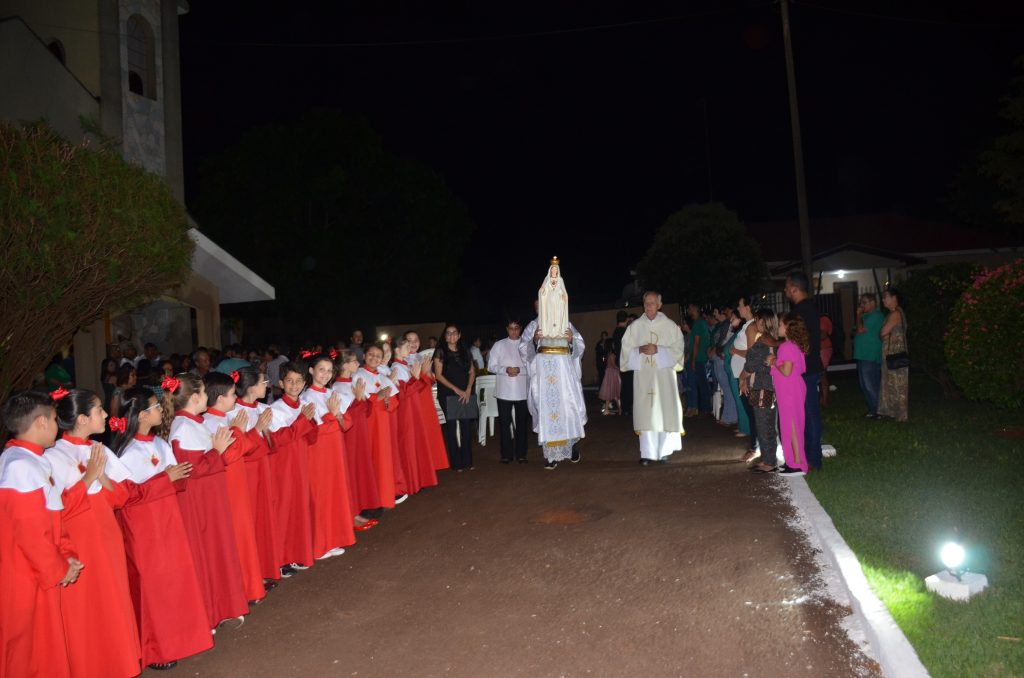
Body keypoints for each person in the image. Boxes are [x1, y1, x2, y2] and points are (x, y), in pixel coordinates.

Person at [111, 386, 211, 671]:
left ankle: (180, 639)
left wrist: (173, 478)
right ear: (142, 415)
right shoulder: (127, 452)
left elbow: (176, 478)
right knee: (152, 588)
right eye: (155, 407)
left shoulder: (160, 443)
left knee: (174, 582)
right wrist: (164, 478)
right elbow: (128, 497)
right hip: (143, 529)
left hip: (168, 519)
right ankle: (156, 649)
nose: (160, 410)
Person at [48, 389, 141, 678]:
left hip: (107, 537)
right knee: (87, 609)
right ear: (82, 418)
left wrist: (101, 477)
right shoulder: (53, 456)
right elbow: (57, 510)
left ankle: (121, 664)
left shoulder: (100, 450)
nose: (105, 415)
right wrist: (87, 478)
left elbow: (122, 497)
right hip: (79, 544)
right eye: (99, 410)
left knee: (114, 601)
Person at [0, 391, 82, 678]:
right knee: (29, 650)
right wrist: (59, 568)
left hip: (38, 571)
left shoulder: (30, 460)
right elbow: (32, 534)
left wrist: (68, 556)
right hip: (26, 575)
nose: (57, 426)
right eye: (53, 419)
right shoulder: (19, 466)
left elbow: (53, 519)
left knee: (43, 646)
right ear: (40, 423)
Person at [163, 373, 250, 630]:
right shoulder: (184, 427)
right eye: (203, 392)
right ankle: (208, 613)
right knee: (206, 554)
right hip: (199, 501)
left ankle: (221, 607)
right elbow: (193, 469)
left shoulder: (193, 423)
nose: (207, 397)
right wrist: (218, 451)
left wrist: (217, 451)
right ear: (194, 397)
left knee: (216, 552)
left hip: (209, 497)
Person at [201, 373, 266, 603]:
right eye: (231, 394)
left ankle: (250, 586)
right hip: (228, 484)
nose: (236, 397)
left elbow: (242, 447)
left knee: (243, 533)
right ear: (219, 398)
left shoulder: (222, 418)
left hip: (236, 481)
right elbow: (230, 454)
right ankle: (243, 590)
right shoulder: (212, 422)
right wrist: (243, 431)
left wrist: (248, 432)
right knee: (237, 536)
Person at [521, 259, 587, 470]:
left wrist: (570, 342)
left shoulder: (566, 323)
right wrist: (533, 341)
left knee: (568, 406)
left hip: (563, 371)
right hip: (543, 372)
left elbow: (579, 344)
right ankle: (551, 456)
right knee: (547, 409)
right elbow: (523, 349)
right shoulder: (533, 327)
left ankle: (572, 446)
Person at [228, 367, 285, 584]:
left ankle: (267, 566)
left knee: (265, 519)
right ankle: (251, 575)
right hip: (247, 475)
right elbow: (239, 450)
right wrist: (258, 429)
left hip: (264, 470)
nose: (267, 385)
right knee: (251, 522)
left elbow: (272, 444)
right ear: (251, 386)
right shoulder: (232, 414)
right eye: (264, 381)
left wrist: (267, 432)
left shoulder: (263, 407)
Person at [300, 355, 357, 560]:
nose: (325, 374)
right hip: (318, 453)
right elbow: (313, 430)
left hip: (335, 451)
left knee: (335, 492)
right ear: (311, 371)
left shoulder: (332, 393)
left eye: (329, 370)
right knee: (321, 495)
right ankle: (320, 544)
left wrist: (336, 416)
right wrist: (334, 415)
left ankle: (331, 539)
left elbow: (347, 423)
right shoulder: (306, 398)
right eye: (321, 369)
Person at [619, 291, 686, 465]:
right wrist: (639, 350)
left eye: (652, 303)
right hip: (644, 377)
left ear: (659, 305)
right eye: (646, 303)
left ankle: (663, 452)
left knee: (663, 411)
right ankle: (647, 453)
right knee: (646, 413)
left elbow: (679, 349)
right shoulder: (635, 327)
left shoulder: (670, 326)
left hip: (664, 377)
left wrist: (660, 350)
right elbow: (625, 350)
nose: (649, 307)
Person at [267, 362, 318, 576]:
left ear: (304, 384)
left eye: (298, 381)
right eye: (289, 381)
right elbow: (277, 440)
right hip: (284, 467)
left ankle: (298, 552)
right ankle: (281, 559)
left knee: (300, 508)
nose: (294, 385)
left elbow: (312, 435)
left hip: (301, 463)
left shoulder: (303, 406)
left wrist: (307, 421)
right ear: (281, 383)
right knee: (285, 511)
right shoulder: (275, 409)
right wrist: (302, 421)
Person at [783, 272, 823, 471]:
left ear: (794, 289)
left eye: (786, 287)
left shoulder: (802, 311)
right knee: (807, 414)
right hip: (809, 367)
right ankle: (809, 456)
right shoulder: (808, 308)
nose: (784, 291)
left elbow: (797, 341)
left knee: (809, 414)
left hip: (806, 369)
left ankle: (814, 459)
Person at [487, 319, 531, 464]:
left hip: (522, 391)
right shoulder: (499, 345)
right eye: (511, 328)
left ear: (520, 329)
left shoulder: (526, 345)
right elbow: (491, 366)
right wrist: (505, 369)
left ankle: (521, 454)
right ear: (507, 329)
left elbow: (533, 367)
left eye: (516, 328)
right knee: (504, 424)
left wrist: (519, 370)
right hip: (503, 391)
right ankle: (506, 454)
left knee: (522, 423)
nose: (514, 331)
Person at [771, 313, 810, 476]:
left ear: (787, 327)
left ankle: (796, 463)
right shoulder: (793, 345)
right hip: (791, 389)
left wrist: (774, 362)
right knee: (792, 424)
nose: (778, 327)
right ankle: (794, 460)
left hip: (790, 390)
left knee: (791, 424)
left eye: (780, 324)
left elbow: (786, 371)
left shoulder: (786, 347)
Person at [434, 324, 476, 470]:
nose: (451, 335)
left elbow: (472, 371)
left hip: (466, 392)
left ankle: (468, 461)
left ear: (459, 335)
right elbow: (438, 375)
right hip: (448, 393)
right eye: (448, 333)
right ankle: (456, 463)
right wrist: (457, 390)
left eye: (454, 333)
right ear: (445, 337)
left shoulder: (465, 351)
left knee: (465, 427)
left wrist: (469, 389)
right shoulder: (440, 352)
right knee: (452, 428)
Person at [744, 310, 781, 474]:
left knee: (762, 424)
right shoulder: (777, 343)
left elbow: (750, 366)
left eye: (757, 321)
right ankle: (770, 458)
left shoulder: (760, 344)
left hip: (761, 389)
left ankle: (768, 461)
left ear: (761, 322)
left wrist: (742, 378)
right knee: (770, 425)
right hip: (775, 388)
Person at [878, 288, 909, 422]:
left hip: (895, 353)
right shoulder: (893, 313)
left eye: (886, 297)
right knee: (892, 383)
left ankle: (900, 414)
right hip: (891, 352)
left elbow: (883, 332)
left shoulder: (895, 314)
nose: (883, 300)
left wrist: (883, 335)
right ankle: (893, 412)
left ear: (894, 298)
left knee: (897, 384)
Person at [853, 293, 884, 419]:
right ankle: (872, 410)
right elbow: (855, 330)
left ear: (873, 303)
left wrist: (858, 315)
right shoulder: (866, 316)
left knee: (870, 384)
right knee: (864, 384)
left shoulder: (877, 315)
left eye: (864, 302)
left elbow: (860, 330)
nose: (861, 305)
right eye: (861, 302)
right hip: (862, 354)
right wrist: (860, 317)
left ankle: (879, 411)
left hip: (870, 355)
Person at [686, 304, 712, 416]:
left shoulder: (697, 323)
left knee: (693, 383)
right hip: (701, 357)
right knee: (702, 383)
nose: (688, 311)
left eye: (690, 309)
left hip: (698, 358)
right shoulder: (701, 323)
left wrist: (692, 360)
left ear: (695, 310)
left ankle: (694, 407)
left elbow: (696, 343)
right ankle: (705, 407)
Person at [611, 311, 632, 416]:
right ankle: (628, 409)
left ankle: (625, 409)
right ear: (626, 319)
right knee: (629, 385)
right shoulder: (625, 331)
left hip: (620, 360)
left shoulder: (615, 331)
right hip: (627, 360)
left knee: (625, 385)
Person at [598, 340, 622, 416]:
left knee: (611, 392)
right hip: (612, 373)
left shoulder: (609, 354)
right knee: (615, 392)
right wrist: (620, 368)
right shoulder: (611, 354)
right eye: (613, 344)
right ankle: (620, 409)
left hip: (610, 373)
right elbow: (613, 365)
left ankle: (608, 410)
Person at [819, 314, 834, 407]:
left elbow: (823, 335)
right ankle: (823, 399)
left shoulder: (823, 319)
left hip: (824, 349)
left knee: (822, 374)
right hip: (818, 349)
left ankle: (825, 401)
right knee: (820, 375)